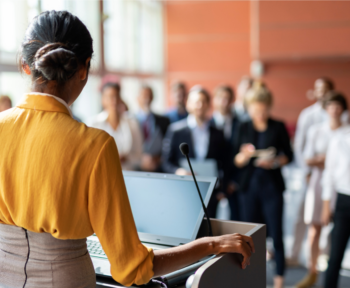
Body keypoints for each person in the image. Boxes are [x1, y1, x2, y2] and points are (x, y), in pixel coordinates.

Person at [0, 11, 255, 287]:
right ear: (84, 69)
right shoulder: (94, 145)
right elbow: (132, 268)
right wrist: (211, 244)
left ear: (25, 65)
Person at [234, 82, 293, 288]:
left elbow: (289, 156)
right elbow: (236, 160)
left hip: (272, 187)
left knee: (276, 234)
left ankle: (279, 281)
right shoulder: (242, 126)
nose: (259, 113)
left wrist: (275, 161)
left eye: (263, 109)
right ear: (249, 108)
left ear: (269, 107)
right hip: (249, 187)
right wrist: (245, 155)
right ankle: (251, 279)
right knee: (249, 237)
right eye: (255, 110)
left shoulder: (278, 126)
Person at [296, 92, 348, 288]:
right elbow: (307, 158)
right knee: (316, 227)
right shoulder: (319, 131)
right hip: (322, 183)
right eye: (331, 106)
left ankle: (325, 266)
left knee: (335, 232)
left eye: (338, 106)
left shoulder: (346, 131)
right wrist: (326, 161)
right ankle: (312, 271)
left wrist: (323, 160)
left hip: (342, 185)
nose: (334, 110)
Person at [288, 77, 337, 266]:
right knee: (303, 214)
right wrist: (307, 171)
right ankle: (294, 253)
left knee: (329, 216)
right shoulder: (308, 114)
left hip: (333, 176)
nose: (322, 93)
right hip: (311, 174)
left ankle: (322, 256)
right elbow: (300, 146)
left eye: (326, 89)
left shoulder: (339, 114)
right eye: (319, 89)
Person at [162, 86, 227, 218]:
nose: (200, 105)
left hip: (211, 192)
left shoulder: (218, 132)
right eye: (196, 101)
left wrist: (222, 189)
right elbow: (166, 161)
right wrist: (178, 171)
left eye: (204, 101)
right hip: (185, 190)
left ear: (209, 105)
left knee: (210, 231)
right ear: (188, 104)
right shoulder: (175, 131)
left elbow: (225, 162)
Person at [89, 82, 143, 171]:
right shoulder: (93, 124)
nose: (113, 101)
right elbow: (90, 155)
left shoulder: (132, 123)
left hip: (127, 174)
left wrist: (126, 158)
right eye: (110, 97)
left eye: (116, 96)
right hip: (102, 173)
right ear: (103, 100)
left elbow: (139, 155)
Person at [321, 123, 350, 288]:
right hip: (343, 199)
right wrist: (326, 205)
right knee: (335, 254)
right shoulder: (340, 139)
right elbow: (329, 173)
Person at [211, 85, 241, 220]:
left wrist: (233, 181)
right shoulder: (207, 124)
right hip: (214, 182)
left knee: (237, 220)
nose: (225, 102)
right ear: (214, 100)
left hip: (235, 181)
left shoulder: (241, 124)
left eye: (228, 99)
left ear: (233, 100)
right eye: (221, 98)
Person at [136, 85, 170, 172]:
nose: (147, 99)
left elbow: (168, 144)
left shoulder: (164, 121)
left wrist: (158, 159)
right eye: (144, 95)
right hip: (137, 168)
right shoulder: (130, 121)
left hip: (157, 167)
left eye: (149, 96)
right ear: (137, 98)